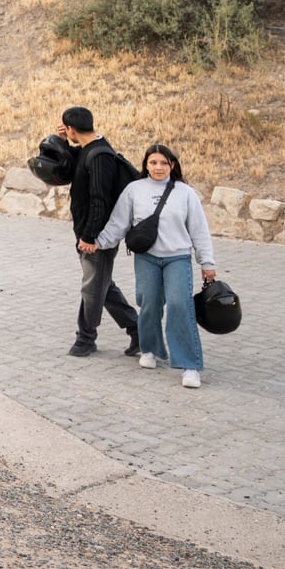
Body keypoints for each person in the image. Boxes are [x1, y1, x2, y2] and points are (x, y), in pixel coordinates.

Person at [92, 144, 216, 389]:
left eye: (163, 163)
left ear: (172, 165)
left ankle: (189, 365)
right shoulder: (134, 190)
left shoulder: (185, 193)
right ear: (146, 165)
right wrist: (98, 243)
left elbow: (199, 230)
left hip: (177, 258)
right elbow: (118, 223)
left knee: (180, 305)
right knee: (148, 303)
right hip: (146, 258)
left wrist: (207, 262)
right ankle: (150, 349)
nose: (158, 167)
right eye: (153, 162)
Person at [59, 106, 141, 358]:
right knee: (101, 284)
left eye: (67, 131)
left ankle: (85, 338)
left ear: (71, 128)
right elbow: (68, 163)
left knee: (93, 286)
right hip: (87, 232)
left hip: (98, 237)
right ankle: (138, 330)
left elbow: (100, 200)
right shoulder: (88, 149)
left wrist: (90, 236)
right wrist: (62, 142)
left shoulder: (99, 156)